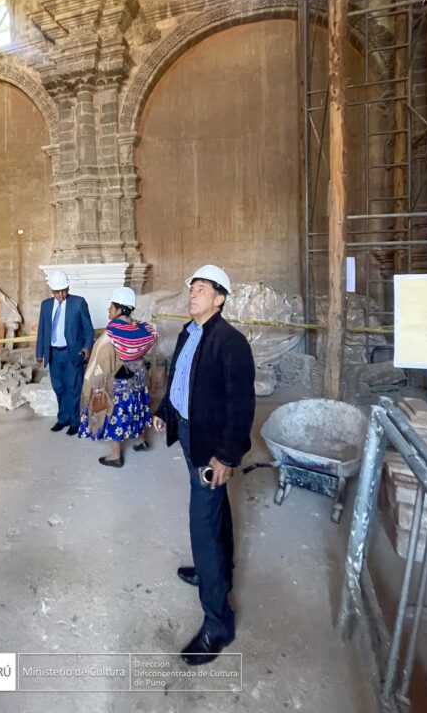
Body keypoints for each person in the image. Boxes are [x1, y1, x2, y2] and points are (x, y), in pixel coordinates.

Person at [154, 264, 255, 666]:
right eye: (192, 287)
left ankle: (218, 622)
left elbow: (241, 406)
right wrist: (166, 410)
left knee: (202, 524)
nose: (193, 293)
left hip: (212, 445)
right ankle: (216, 570)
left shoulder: (231, 342)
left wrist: (227, 456)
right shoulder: (189, 332)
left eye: (201, 288)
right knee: (214, 508)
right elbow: (181, 379)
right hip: (189, 434)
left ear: (220, 298)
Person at [78, 287, 157, 468]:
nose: (109, 310)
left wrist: (94, 382)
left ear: (120, 309)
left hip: (119, 383)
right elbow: (147, 342)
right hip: (138, 378)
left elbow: (102, 360)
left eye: (111, 306)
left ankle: (115, 455)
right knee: (136, 408)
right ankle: (140, 441)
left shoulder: (112, 332)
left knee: (114, 414)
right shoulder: (141, 327)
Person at [36, 270, 95, 435]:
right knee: (59, 387)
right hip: (53, 354)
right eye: (57, 291)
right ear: (51, 290)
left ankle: (75, 421)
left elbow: (88, 329)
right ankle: (63, 419)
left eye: (64, 290)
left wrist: (87, 347)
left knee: (74, 387)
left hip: (72, 353)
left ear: (68, 287)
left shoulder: (78, 303)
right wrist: (39, 352)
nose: (61, 294)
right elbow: (42, 330)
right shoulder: (46, 305)